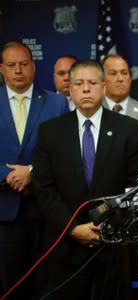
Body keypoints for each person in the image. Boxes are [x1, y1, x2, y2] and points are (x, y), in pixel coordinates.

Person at [33, 60, 138, 299]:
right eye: (79, 84)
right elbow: (45, 189)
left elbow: (135, 186)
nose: (86, 89)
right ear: (70, 91)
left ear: (104, 87)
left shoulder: (130, 129)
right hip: (66, 247)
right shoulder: (49, 132)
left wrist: (106, 227)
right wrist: (73, 229)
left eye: (92, 83)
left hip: (114, 245)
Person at [0, 41, 68, 300]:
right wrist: (6, 174)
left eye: (24, 64)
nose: (18, 70)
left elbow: (62, 153)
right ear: (1, 69)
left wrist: (31, 171)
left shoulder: (56, 103)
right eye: (11, 65)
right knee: (10, 286)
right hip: (4, 212)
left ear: (33, 66)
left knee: (46, 286)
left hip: (44, 210)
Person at [102, 54, 138, 144]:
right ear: (102, 80)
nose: (120, 79)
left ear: (130, 78)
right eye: (113, 73)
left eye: (124, 73)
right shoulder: (93, 110)